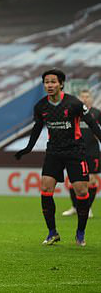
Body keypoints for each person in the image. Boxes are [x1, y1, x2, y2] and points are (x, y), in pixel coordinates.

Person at [15, 70, 101, 246]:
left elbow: (92, 124)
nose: (49, 85)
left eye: (53, 82)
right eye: (46, 82)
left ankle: (80, 233)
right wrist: (28, 148)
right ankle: (52, 232)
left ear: (61, 84)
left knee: (82, 192)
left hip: (75, 152)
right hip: (54, 152)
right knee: (45, 189)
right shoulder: (41, 107)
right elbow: (37, 128)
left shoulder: (74, 104)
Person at [61, 89, 100, 218]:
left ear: (91, 99)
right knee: (74, 181)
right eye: (82, 97)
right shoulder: (73, 113)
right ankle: (74, 207)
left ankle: (87, 208)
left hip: (92, 151)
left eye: (87, 97)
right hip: (76, 151)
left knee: (92, 181)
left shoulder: (97, 113)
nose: (85, 99)